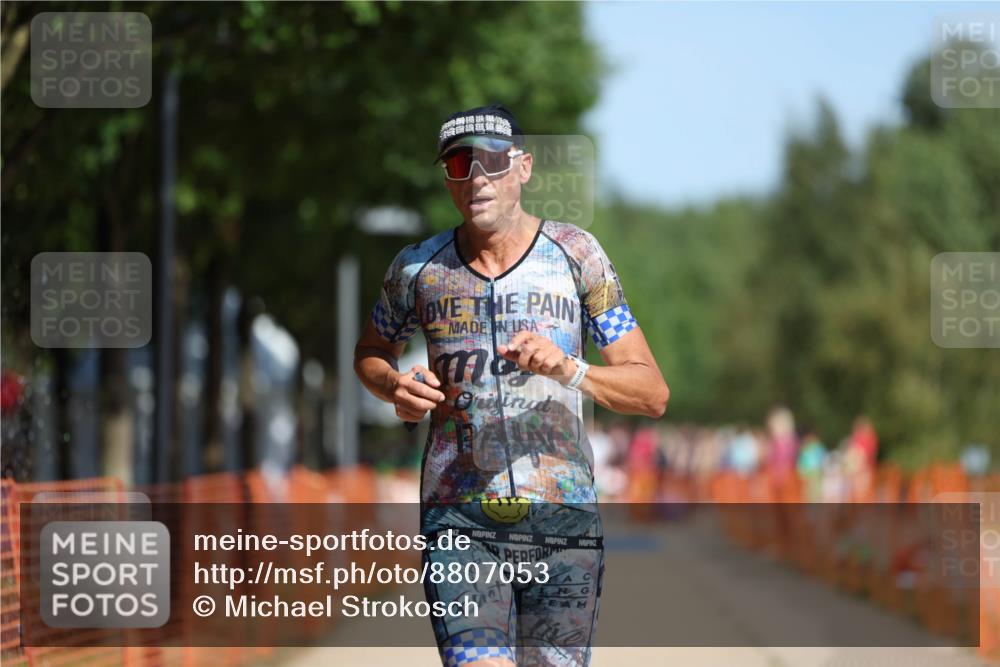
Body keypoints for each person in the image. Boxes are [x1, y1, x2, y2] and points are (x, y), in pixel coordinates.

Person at [354, 104, 669, 667]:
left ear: (522, 167)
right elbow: (372, 353)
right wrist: (394, 386)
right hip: (458, 520)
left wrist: (568, 368)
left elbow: (650, 392)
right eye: (458, 163)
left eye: (492, 162)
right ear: (447, 177)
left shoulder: (577, 256)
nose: (476, 178)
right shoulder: (416, 269)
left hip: (562, 519)